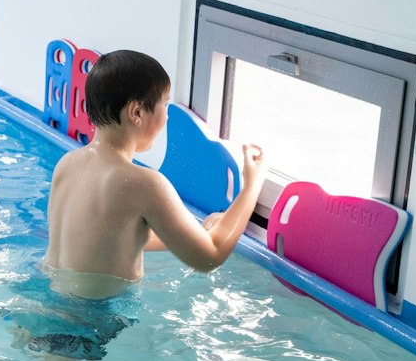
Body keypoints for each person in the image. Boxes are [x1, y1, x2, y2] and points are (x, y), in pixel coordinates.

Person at [43, 50, 267, 301]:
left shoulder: (67, 163)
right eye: (165, 104)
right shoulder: (144, 183)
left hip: (45, 300)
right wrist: (252, 186)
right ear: (137, 112)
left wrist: (198, 231)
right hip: (88, 325)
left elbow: (105, 237)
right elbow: (210, 256)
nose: (167, 115)